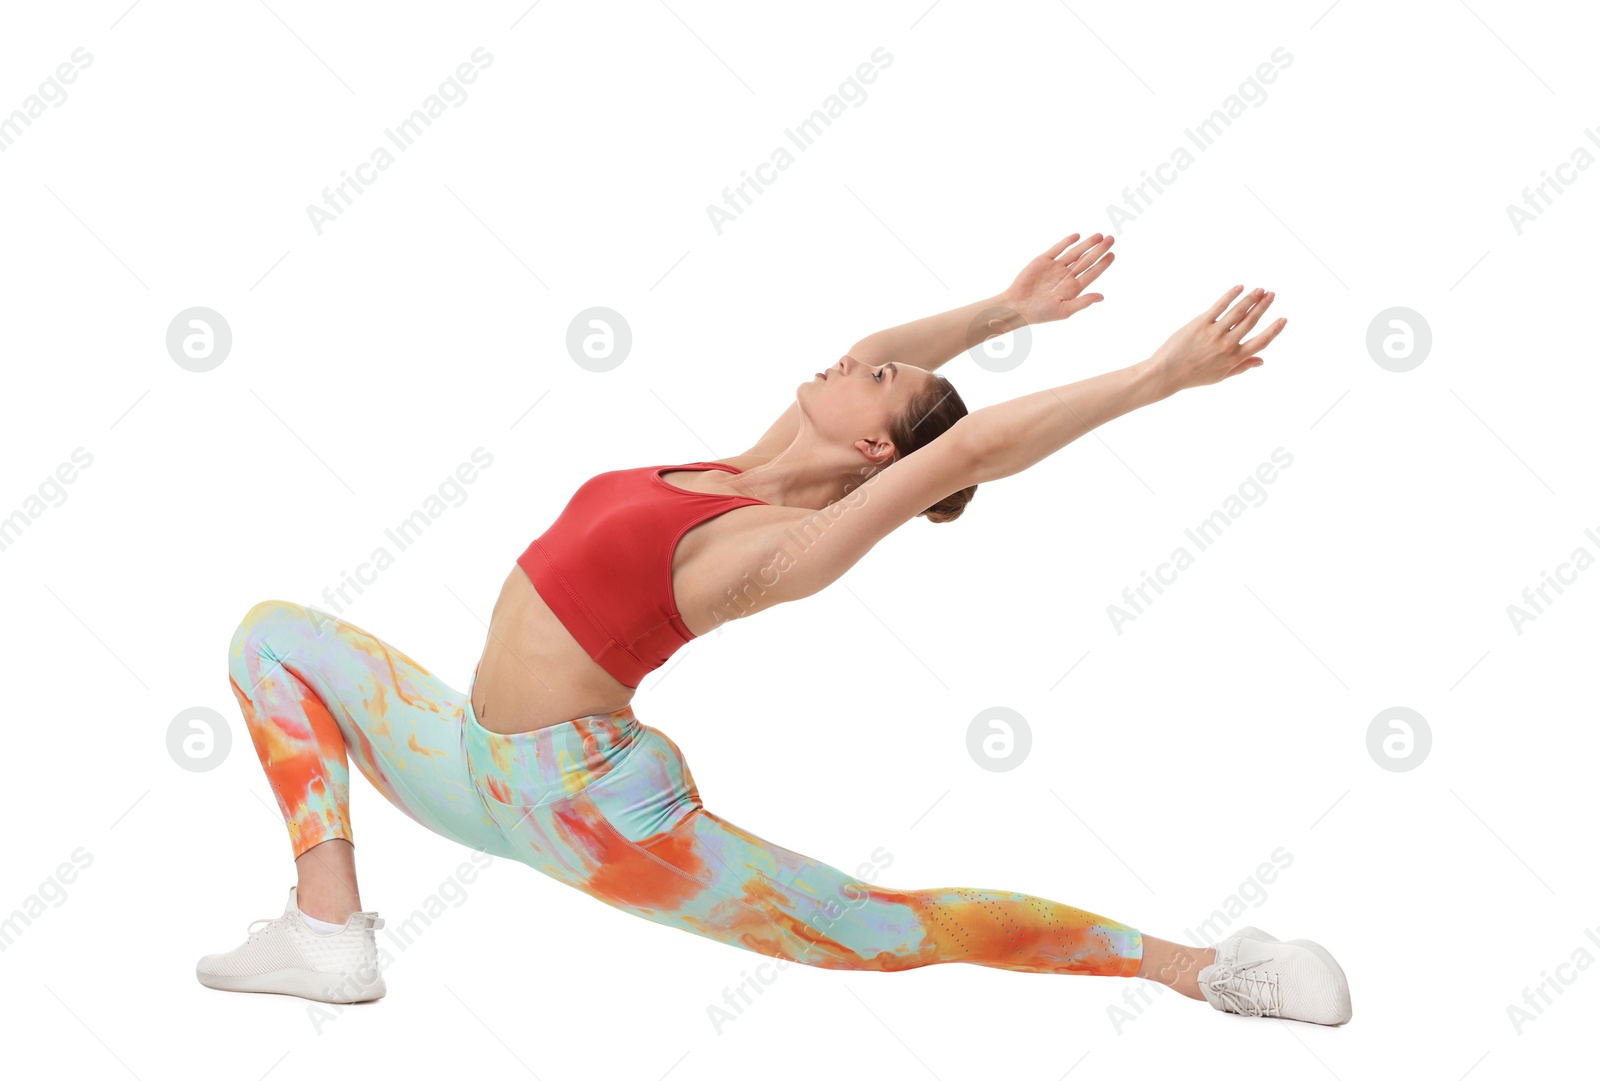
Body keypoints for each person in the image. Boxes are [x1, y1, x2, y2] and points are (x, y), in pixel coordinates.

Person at [198, 232, 1351, 1025]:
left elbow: (964, 446)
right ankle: (328, 929)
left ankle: (1206, 972)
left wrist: (1153, 377)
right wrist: (1008, 309)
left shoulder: (772, 549)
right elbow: (898, 372)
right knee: (273, 636)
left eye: (873, 376)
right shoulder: (740, 465)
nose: (852, 357)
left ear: (870, 454)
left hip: (590, 810)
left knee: (878, 930)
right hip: (467, 763)